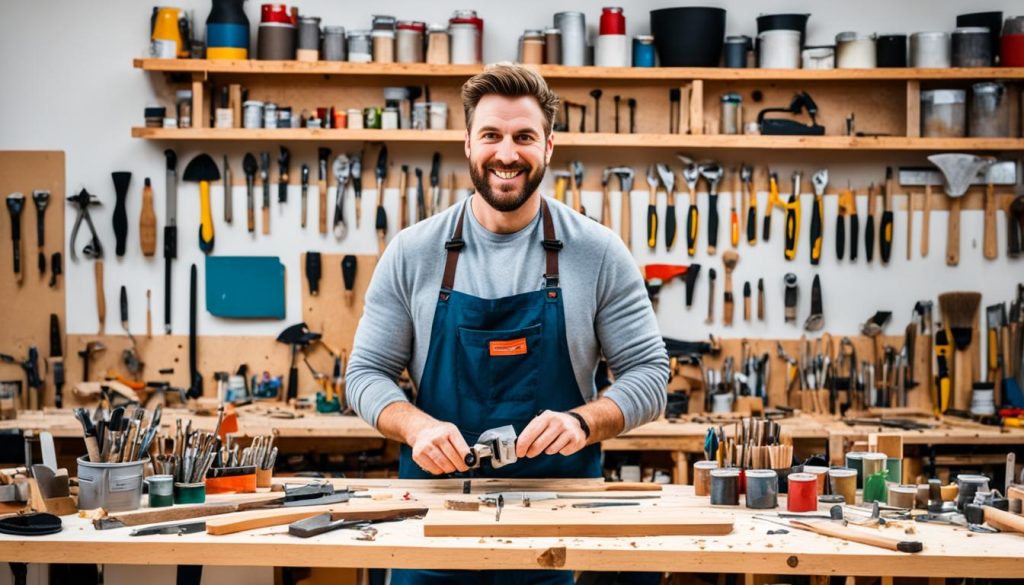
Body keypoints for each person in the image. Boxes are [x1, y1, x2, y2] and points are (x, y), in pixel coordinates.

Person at [346, 63, 668, 584]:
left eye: (524, 136)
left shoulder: (598, 251)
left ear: (549, 146)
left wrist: (581, 422)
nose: (507, 153)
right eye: (491, 135)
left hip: (559, 516)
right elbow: (364, 374)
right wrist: (416, 426)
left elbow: (650, 374)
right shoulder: (412, 252)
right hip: (436, 513)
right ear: (468, 144)